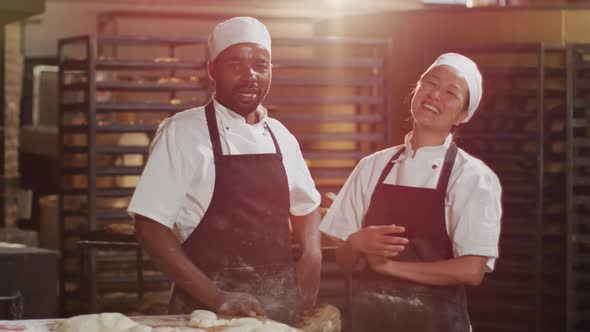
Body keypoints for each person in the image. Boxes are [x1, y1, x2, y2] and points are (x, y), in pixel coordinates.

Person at [128, 17, 322, 325]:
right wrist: (216, 296)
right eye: (235, 65)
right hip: (206, 316)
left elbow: (306, 205)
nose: (250, 76)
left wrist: (312, 258)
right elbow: (149, 225)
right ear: (212, 70)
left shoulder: (281, 135)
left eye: (261, 65)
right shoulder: (183, 132)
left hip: (277, 315)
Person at [319, 53, 502, 331]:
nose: (435, 94)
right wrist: (355, 242)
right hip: (371, 322)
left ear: (463, 115)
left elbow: (471, 270)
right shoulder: (372, 166)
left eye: (450, 92)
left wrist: (389, 268)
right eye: (430, 83)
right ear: (417, 88)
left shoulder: (472, 177)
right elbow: (344, 261)